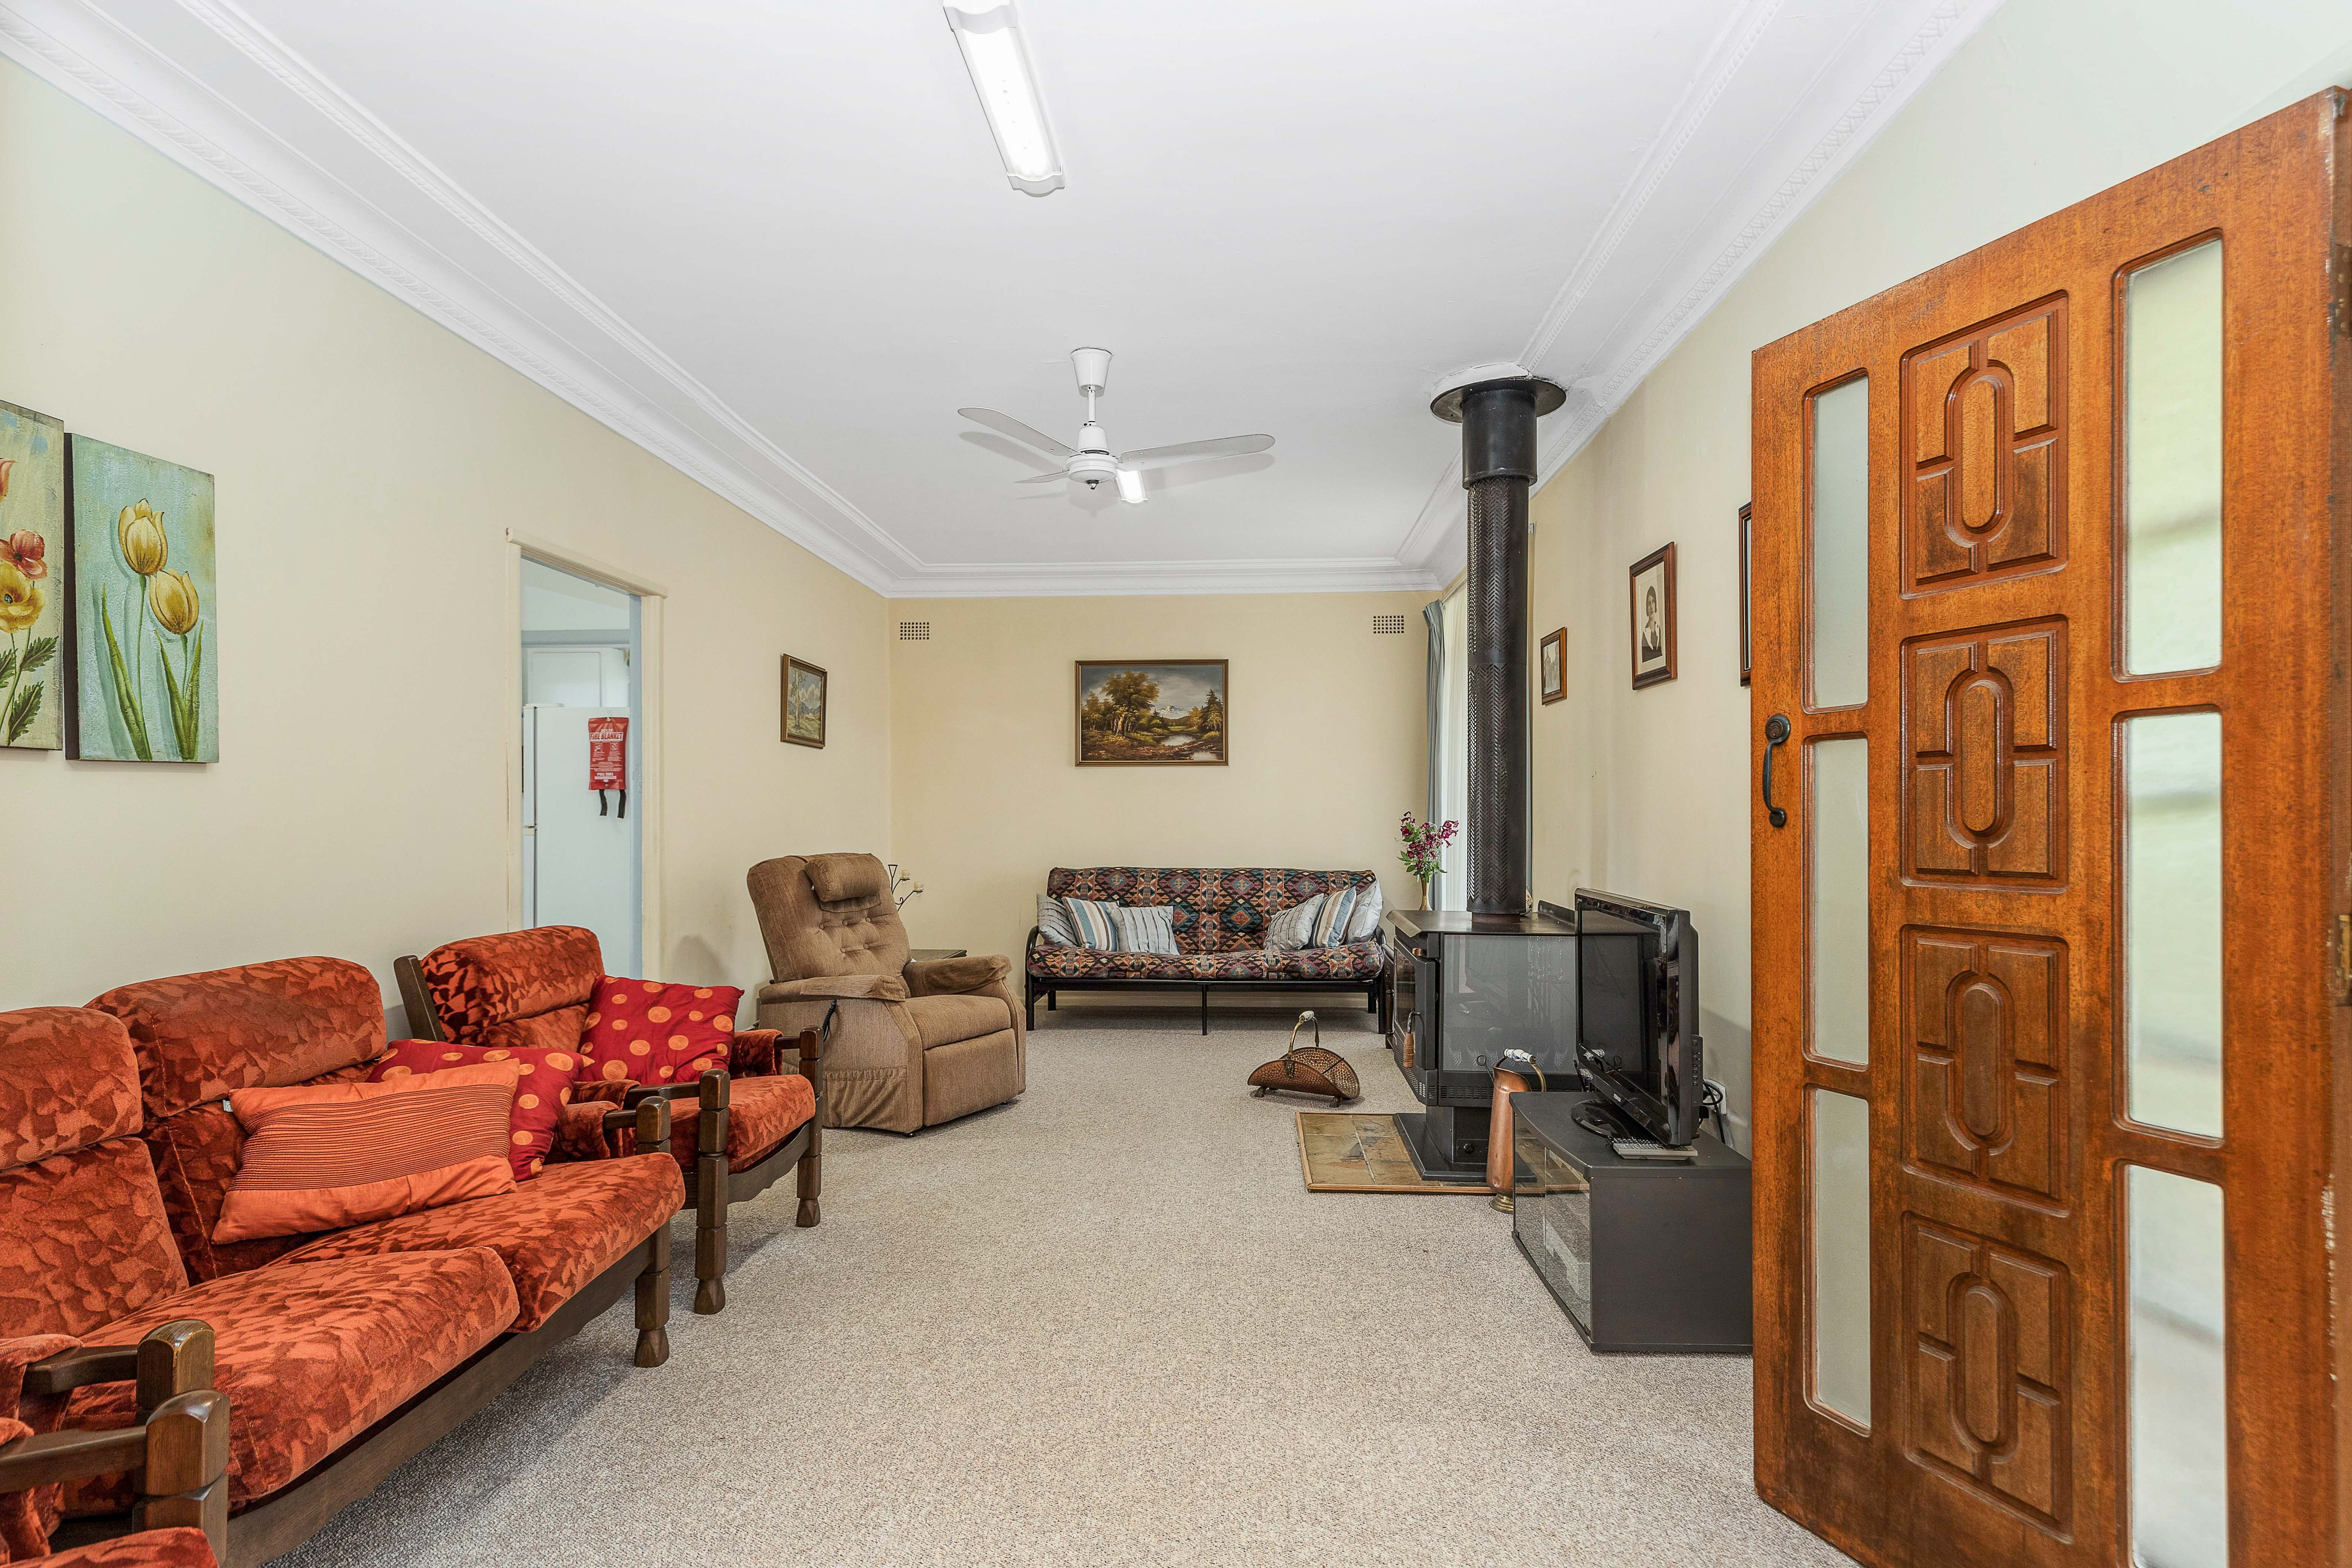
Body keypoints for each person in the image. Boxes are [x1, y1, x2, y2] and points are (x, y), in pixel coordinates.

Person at [1640, 583, 1662, 661]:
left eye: (1653, 602)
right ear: (1647, 609)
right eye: (1649, 604)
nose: (1652, 607)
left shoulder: (1659, 630)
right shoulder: (1645, 634)